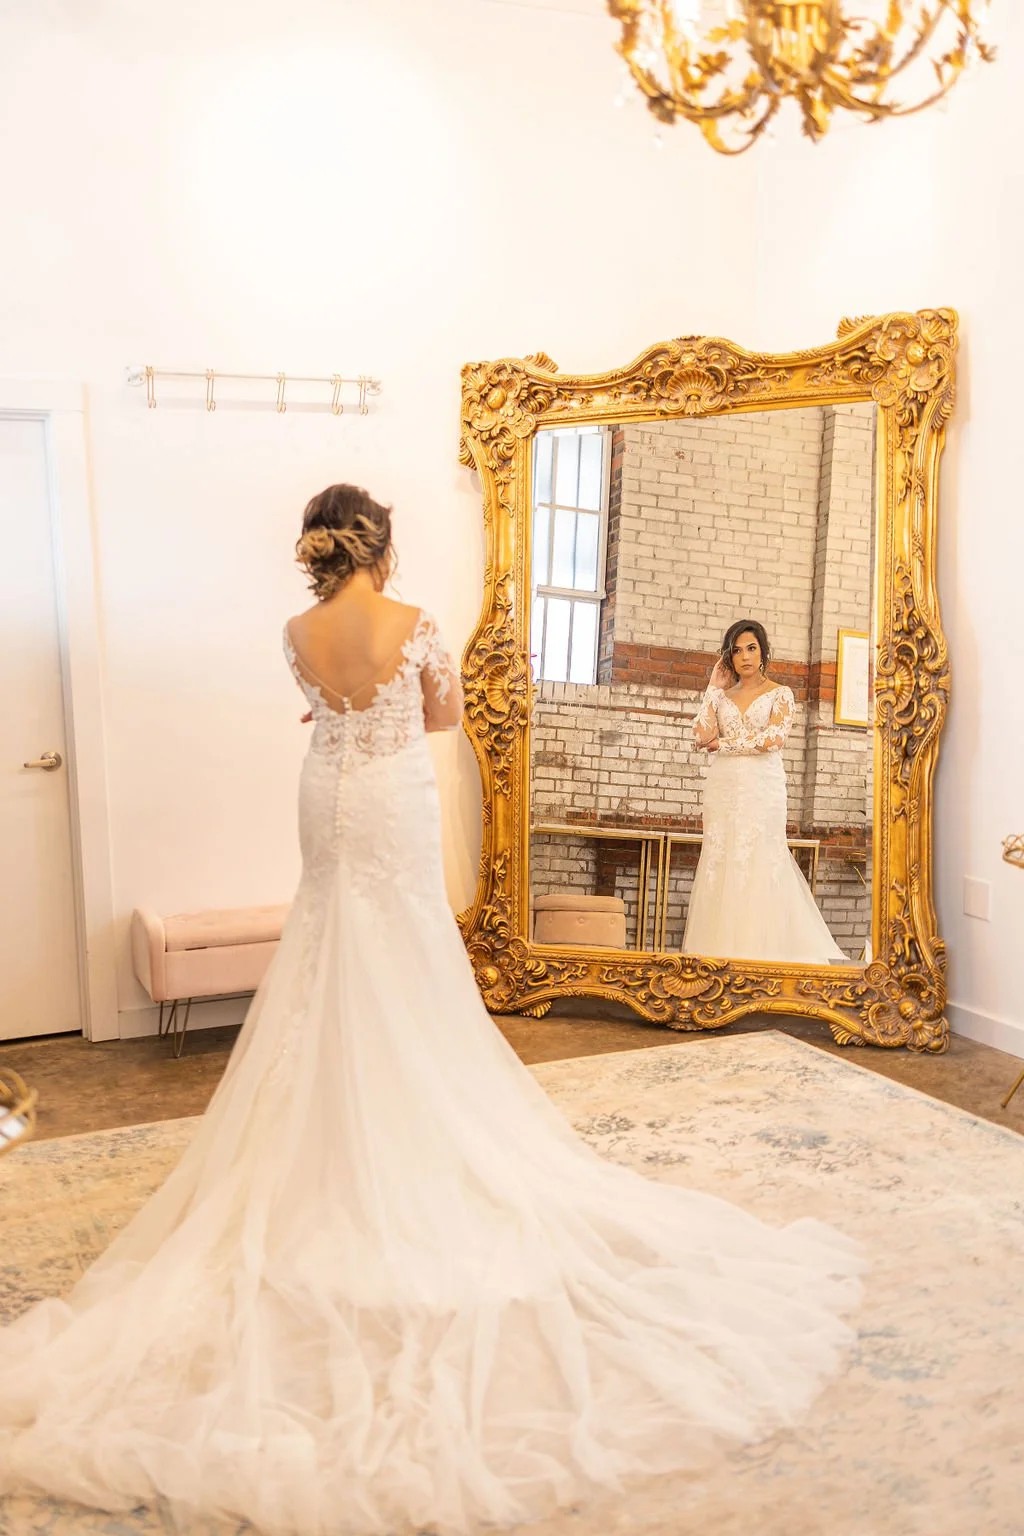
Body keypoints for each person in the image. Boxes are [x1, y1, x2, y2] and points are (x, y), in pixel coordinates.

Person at [0, 491, 863, 1536]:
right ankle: (417, 1137)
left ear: (318, 551)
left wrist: (339, 714)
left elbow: (324, 711)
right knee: (401, 944)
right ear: (382, 543)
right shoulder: (413, 626)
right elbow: (445, 719)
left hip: (324, 792)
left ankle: (325, 1144)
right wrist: (386, 710)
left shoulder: (294, 632)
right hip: (394, 796)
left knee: (326, 941)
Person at [683, 618, 847, 964]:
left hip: (762, 788)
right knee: (721, 857)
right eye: (737, 650)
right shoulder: (721, 696)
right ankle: (719, 953)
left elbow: (773, 740)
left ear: (763, 651)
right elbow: (700, 735)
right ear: (729, 656)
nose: (744, 656)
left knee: (759, 857)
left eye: (751, 648)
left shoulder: (780, 693)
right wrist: (712, 687)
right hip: (724, 789)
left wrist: (722, 746)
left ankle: (764, 952)